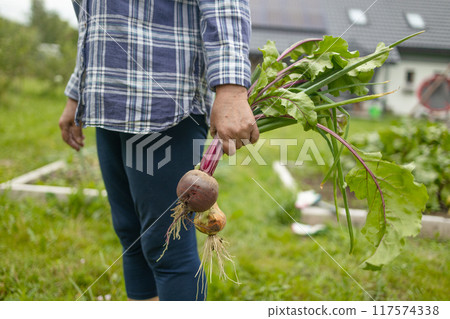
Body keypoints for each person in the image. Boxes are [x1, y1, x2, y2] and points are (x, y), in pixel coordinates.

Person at [59, 0, 258, 301]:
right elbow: (92, 21)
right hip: (107, 99)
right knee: (131, 234)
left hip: (163, 100)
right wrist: (77, 92)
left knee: (167, 247)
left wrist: (231, 88)